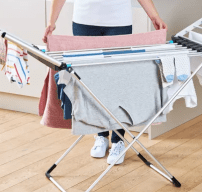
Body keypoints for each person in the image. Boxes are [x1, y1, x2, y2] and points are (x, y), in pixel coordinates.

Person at [43, 0, 167, 165]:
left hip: (119, 22)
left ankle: (118, 140)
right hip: (84, 21)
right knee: (90, 81)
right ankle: (101, 135)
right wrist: (52, 21)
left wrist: (154, 15)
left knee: (117, 82)